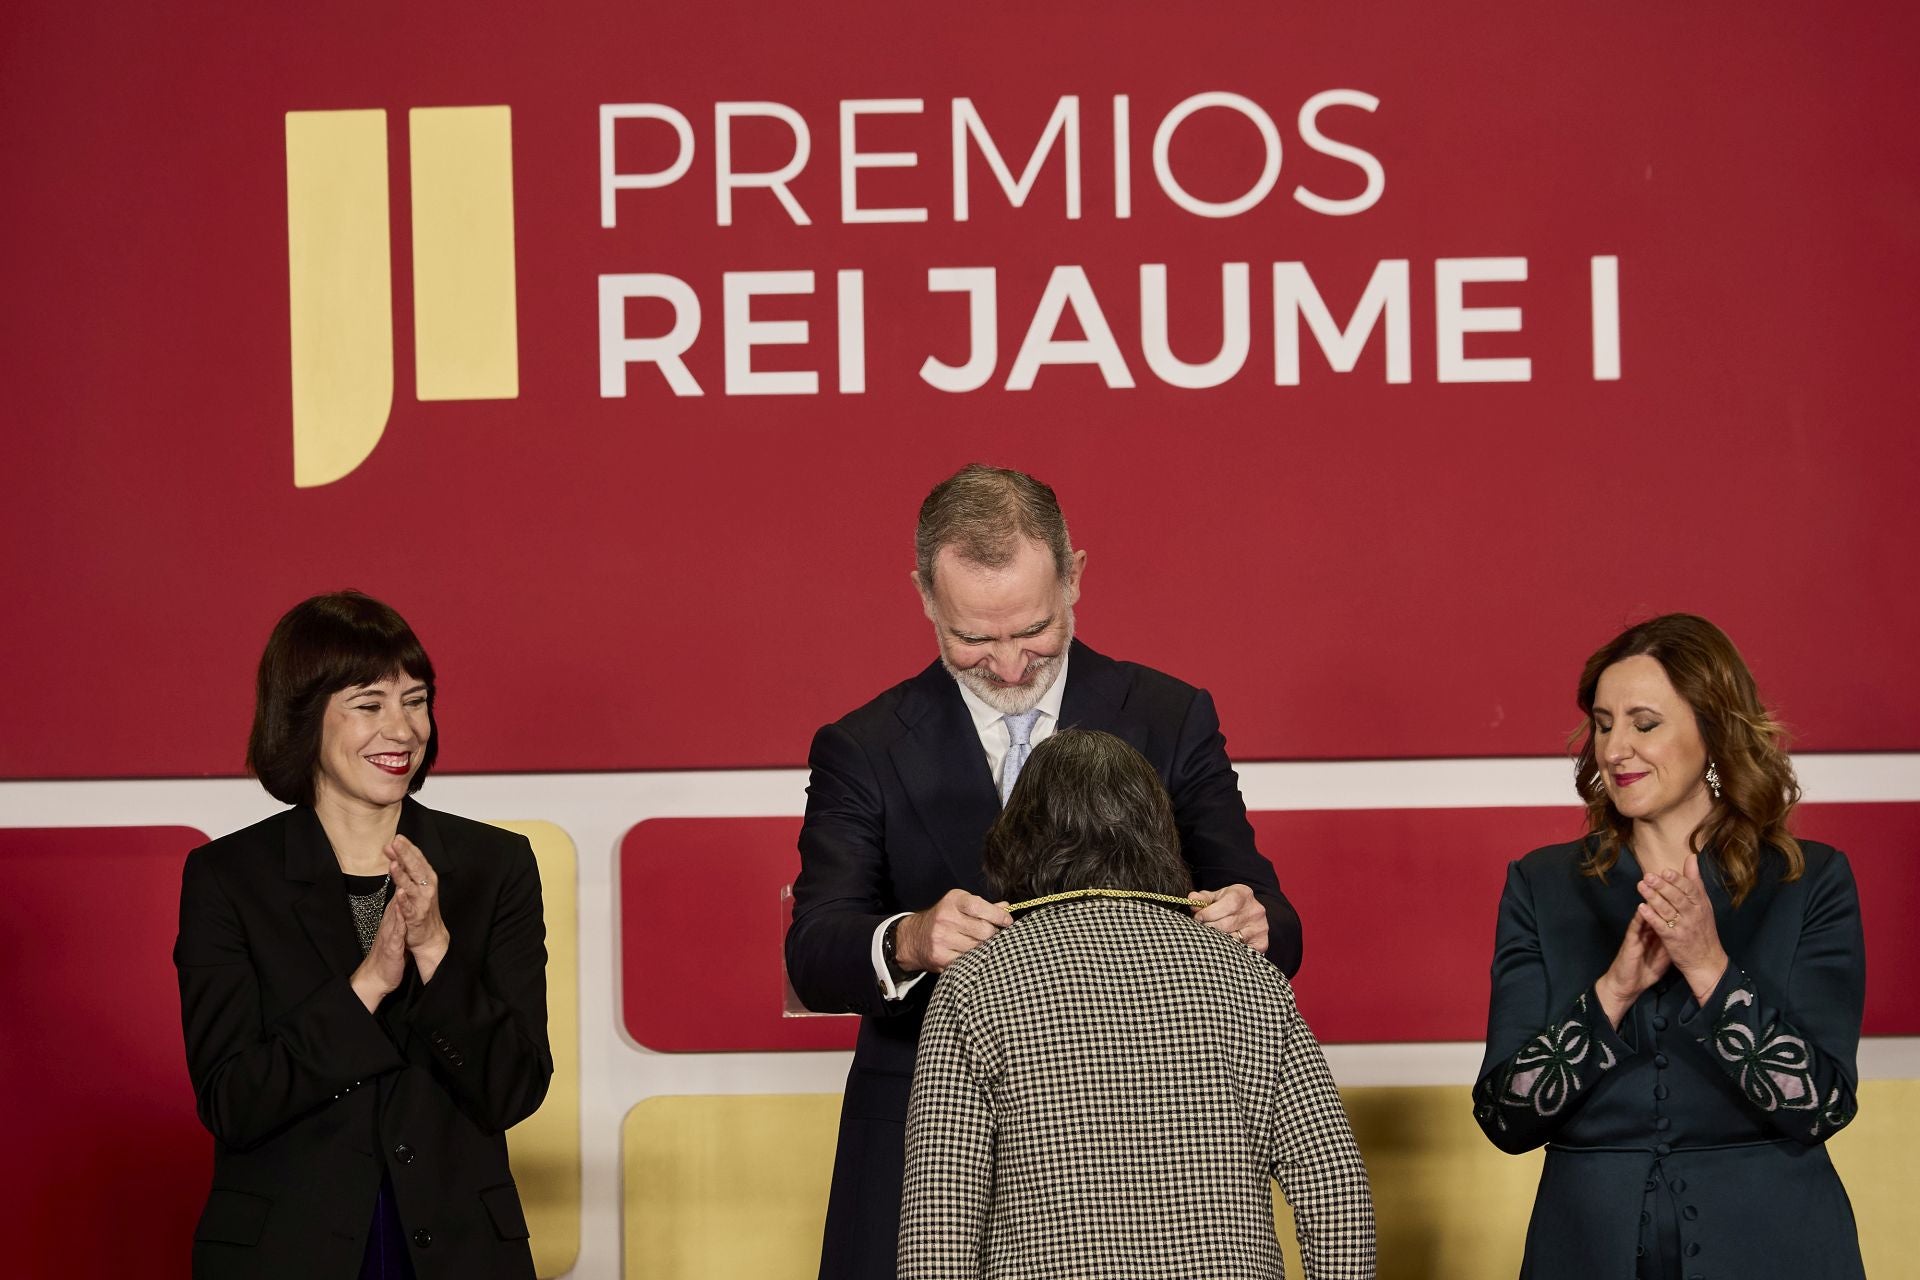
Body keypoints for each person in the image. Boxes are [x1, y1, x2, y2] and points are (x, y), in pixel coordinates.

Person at [785, 463, 1303, 1280]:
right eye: (973, 639)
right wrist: (910, 939)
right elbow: (814, 951)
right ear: (924, 596)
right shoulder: (862, 746)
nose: (1008, 665)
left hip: (1142, 1164)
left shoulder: (1170, 717)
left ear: (1075, 578)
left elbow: (1275, 917)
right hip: (917, 1155)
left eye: (1032, 630)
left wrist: (1252, 917)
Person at [1473, 614, 1865, 1279]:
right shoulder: (1540, 884)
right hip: (1584, 1247)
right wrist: (1612, 993)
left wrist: (1710, 968)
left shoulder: (1809, 880)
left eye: (1644, 724)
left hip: (1775, 1245)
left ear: (1712, 731)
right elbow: (1504, 1117)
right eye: (1603, 725)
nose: (1615, 749)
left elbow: (1820, 1105)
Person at [900, 730, 1373, 1279]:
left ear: (1018, 838)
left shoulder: (976, 982)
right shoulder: (1250, 977)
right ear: (1158, 831)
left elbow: (940, 1217)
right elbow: (1334, 1186)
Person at [174, 591, 551, 1279]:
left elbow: (515, 1089)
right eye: (369, 705)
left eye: (416, 701)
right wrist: (368, 985)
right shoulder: (228, 878)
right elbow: (233, 1101)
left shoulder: (495, 867)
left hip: (457, 1253)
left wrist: (435, 949)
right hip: (288, 1253)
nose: (401, 730)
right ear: (304, 718)